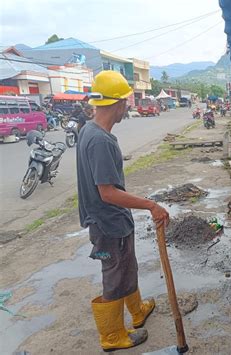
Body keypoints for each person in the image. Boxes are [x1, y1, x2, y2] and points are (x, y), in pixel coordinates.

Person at [77, 71, 169, 351]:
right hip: (108, 226)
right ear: (117, 104)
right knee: (114, 275)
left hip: (112, 222)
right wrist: (151, 205)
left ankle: (138, 311)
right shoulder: (101, 141)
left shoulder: (88, 130)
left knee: (126, 267)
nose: (127, 107)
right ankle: (112, 336)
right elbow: (107, 192)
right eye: (126, 103)